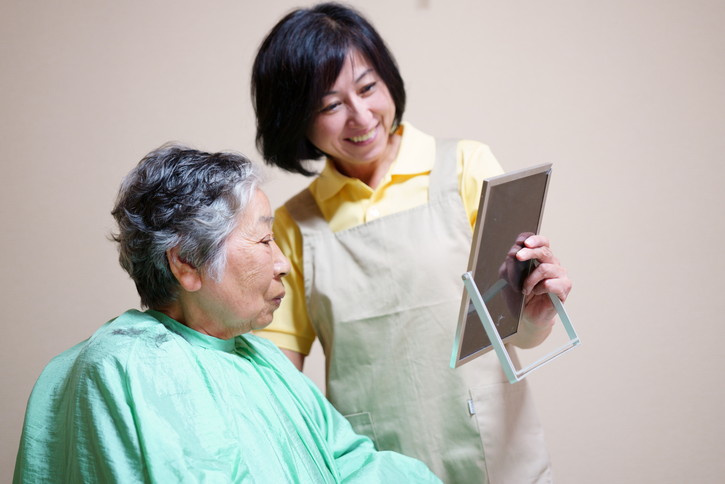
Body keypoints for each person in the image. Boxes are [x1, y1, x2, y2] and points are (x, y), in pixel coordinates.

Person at [251, 3, 572, 483]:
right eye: (330, 105)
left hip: (493, 451)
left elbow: (517, 332)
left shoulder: (466, 167)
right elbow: (277, 379)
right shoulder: (295, 226)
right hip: (372, 466)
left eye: (367, 87)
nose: (361, 117)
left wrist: (537, 314)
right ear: (296, 119)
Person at [12, 145, 441, 483]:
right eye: (263, 241)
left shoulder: (261, 357)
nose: (282, 264)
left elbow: (354, 467)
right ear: (186, 263)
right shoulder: (134, 365)